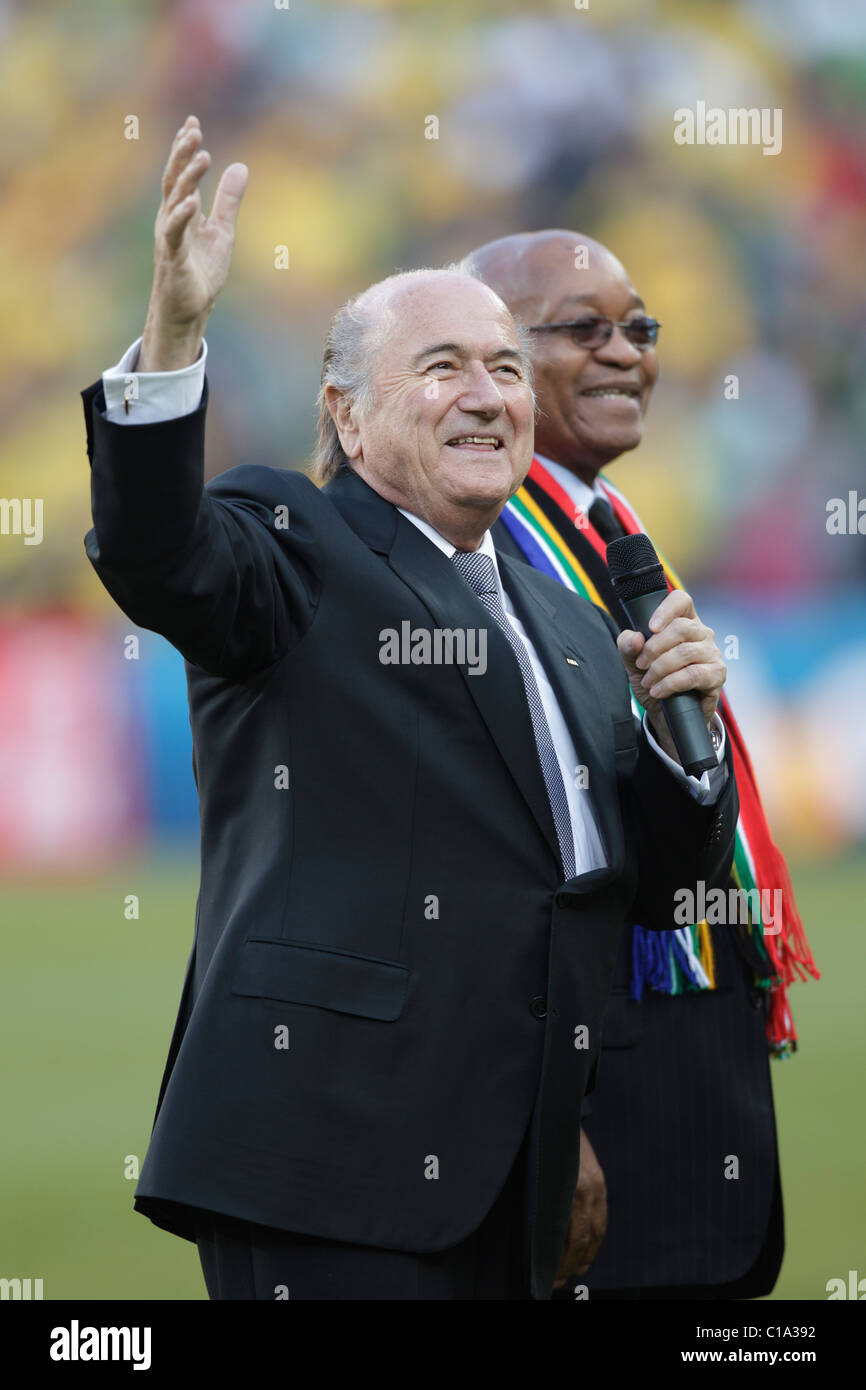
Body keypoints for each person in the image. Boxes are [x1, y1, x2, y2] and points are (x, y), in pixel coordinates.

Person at [81, 120, 738, 1301]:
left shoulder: (575, 622)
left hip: (519, 1179)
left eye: (500, 368)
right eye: (439, 368)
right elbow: (156, 553)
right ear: (345, 415)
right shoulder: (295, 538)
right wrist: (177, 334)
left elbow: (632, 881)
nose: (485, 395)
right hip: (329, 1163)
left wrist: (686, 741)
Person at [465, 228, 818, 1299]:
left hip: (685, 1101)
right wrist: (548, 1118)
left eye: (639, 327)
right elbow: (490, 872)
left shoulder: (604, 525)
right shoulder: (483, 555)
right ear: (492, 363)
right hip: (597, 1111)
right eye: (583, 328)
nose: (625, 352)